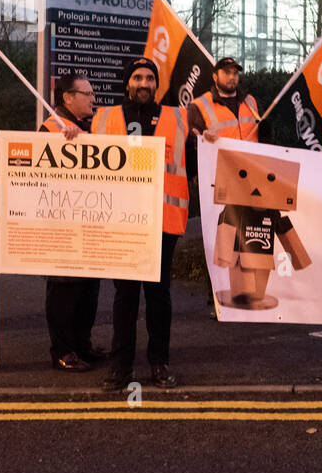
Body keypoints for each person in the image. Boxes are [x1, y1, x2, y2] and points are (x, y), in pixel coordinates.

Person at [91, 57, 190, 391]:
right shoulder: (104, 118)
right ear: (127, 83)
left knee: (159, 297)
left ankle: (159, 364)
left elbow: (205, 145)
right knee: (125, 298)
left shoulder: (178, 117)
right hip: (123, 222)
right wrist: (71, 134)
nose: (144, 83)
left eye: (150, 78)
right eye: (137, 77)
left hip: (162, 221)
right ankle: (121, 368)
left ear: (156, 84)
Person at [40, 73, 105, 372]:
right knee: (64, 292)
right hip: (61, 229)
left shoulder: (90, 127)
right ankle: (63, 351)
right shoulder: (50, 129)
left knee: (88, 291)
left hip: (89, 226)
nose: (93, 98)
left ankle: (82, 345)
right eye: (87, 93)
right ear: (67, 97)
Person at [188, 57, 260, 143]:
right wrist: (202, 140)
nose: (232, 77)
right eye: (227, 73)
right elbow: (193, 146)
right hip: (219, 156)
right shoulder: (198, 106)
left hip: (249, 156)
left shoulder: (250, 101)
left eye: (235, 73)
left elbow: (261, 136)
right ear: (215, 77)